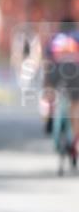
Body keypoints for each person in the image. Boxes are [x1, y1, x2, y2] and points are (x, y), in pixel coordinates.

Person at [41, 18, 79, 160]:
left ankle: (48, 116)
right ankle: (76, 139)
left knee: (48, 92)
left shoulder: (54, 38)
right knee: (75, 105)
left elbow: (47, 61)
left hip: (56, 71)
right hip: (76, 72)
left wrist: (47, 84)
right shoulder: (77, 36)